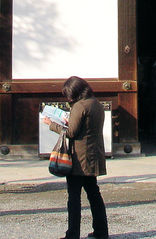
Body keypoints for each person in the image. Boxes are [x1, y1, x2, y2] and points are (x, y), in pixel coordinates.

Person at [48, 76, 109, 239]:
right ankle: (101, 231)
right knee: (94, 194)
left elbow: (71, 132)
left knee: (74, 198)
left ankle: (72, 234)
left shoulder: (79, 106)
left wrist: (52, 124)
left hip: (79, 158)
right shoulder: (95, 103)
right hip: (93, 155)